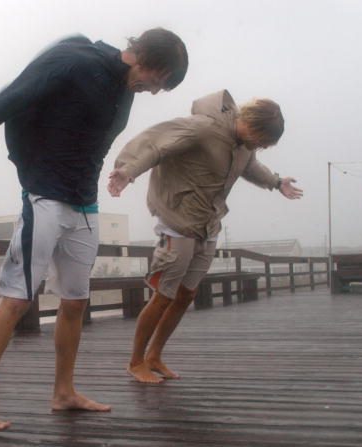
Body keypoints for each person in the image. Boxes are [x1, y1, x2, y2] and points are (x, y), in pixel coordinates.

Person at [0, 28, 188, 433]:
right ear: (146, 58)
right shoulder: (75, 61)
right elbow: (11, 98)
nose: (154, 90)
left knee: (76, 302)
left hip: (84, 205)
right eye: (159, 81)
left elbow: (92, 141)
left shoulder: (124, 88)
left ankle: (63, 393)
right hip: (43, 196)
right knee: (15, 301)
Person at [108, 89, 303, 384]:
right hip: (175, 220)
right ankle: (136, 362)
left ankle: (154, 356)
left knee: (187, 294)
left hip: (207, 224)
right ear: (250, 123)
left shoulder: (244, 146)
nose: (257, 148)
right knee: (164, 294)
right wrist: (127, 171)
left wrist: (277, 182)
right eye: (259, 140)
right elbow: (155, 143)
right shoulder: (203, 127)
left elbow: (250, 167)